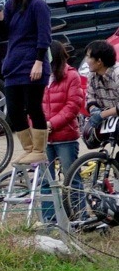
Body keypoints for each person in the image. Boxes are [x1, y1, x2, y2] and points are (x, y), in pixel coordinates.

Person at [0, 0, 52, 164]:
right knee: (14, 108)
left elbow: (44, 36)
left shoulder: (38, 5)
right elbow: (4, 33)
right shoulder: (10, 5)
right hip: (14, 64)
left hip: (32, 63)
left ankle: (39, 149)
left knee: (33, 106)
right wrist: (0, 17)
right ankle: (28, 148)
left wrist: (39, 61)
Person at [41, 41, 85, 221]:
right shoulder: (39, 76)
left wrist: (51, 123)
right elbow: (31, 105)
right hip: (44, 138)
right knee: (45, 180)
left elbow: (73, 105)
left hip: (65, 136)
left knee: (71, 178)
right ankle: (50, 220)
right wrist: (37, 124)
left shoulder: (71, 76)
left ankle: (79, 216)